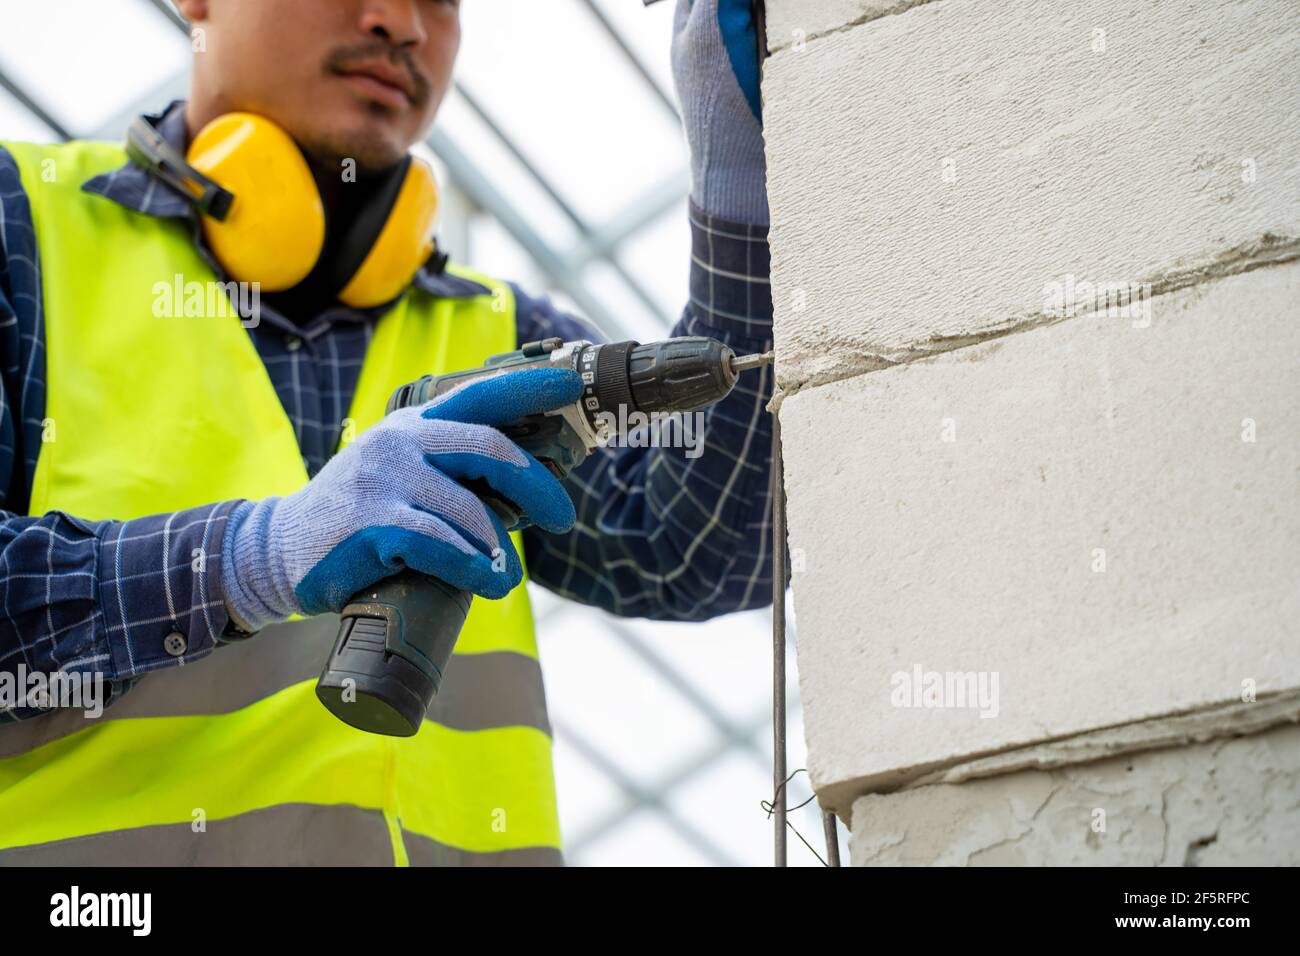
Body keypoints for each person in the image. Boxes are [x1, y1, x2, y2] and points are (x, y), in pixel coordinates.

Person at [0, 0, 773, 865]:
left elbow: (702, 549)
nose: (401, 22)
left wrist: (741, 180)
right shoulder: (20, 222)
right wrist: (254, 560)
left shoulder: (499, 331)